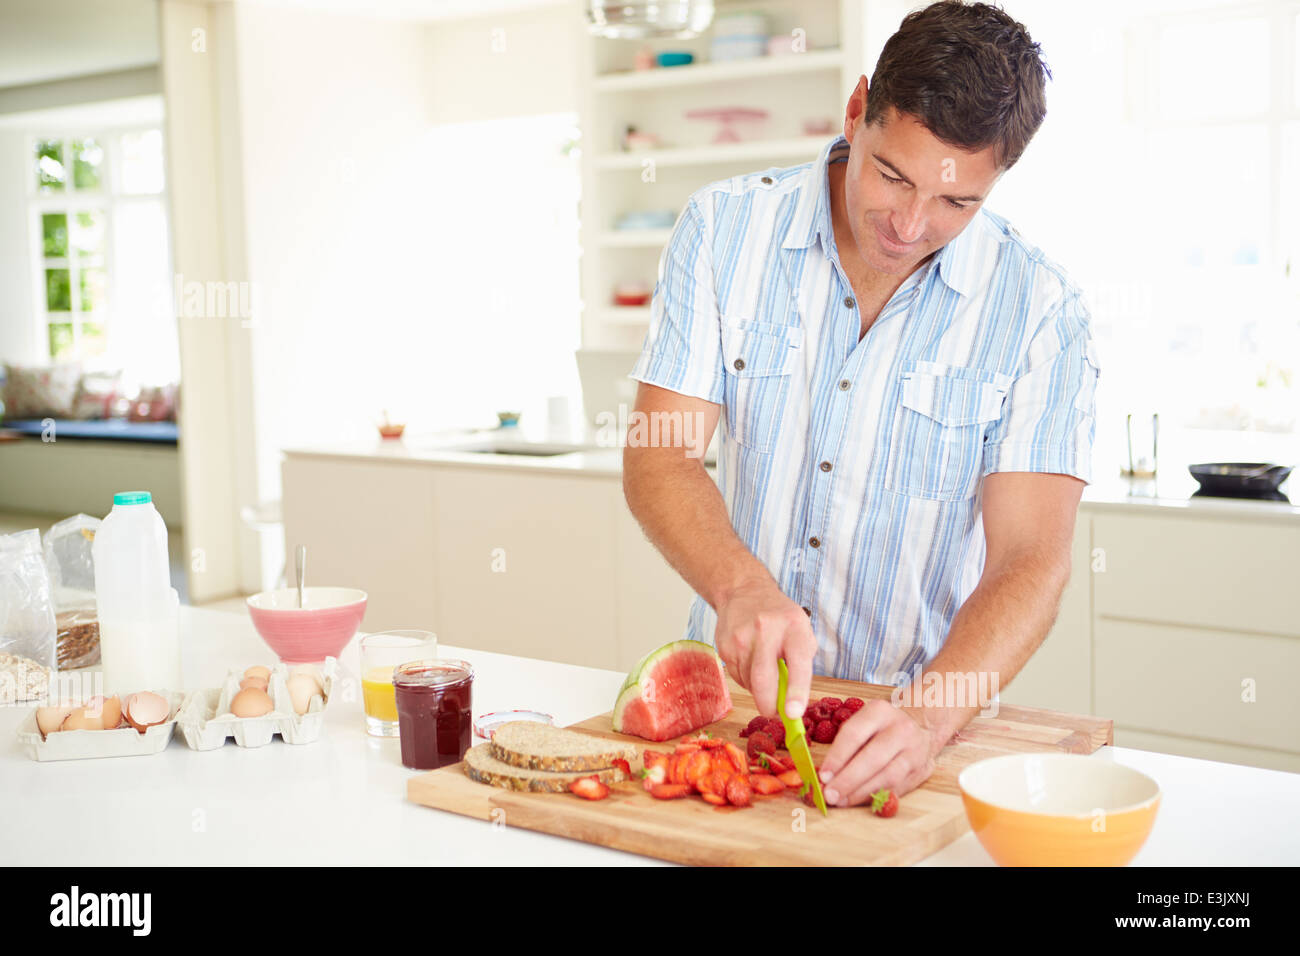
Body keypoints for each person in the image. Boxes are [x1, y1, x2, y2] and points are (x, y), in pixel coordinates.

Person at [622, 1, 1100, 806]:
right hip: (736, 715)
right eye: (893, 175)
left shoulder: (1041, 311)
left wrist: (929, 716)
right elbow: (660, 454)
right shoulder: (722, 232)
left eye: (957, 203)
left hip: (917, 720)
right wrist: (742, 587)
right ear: (857, 111)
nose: (910, 226)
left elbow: (1032, 558)